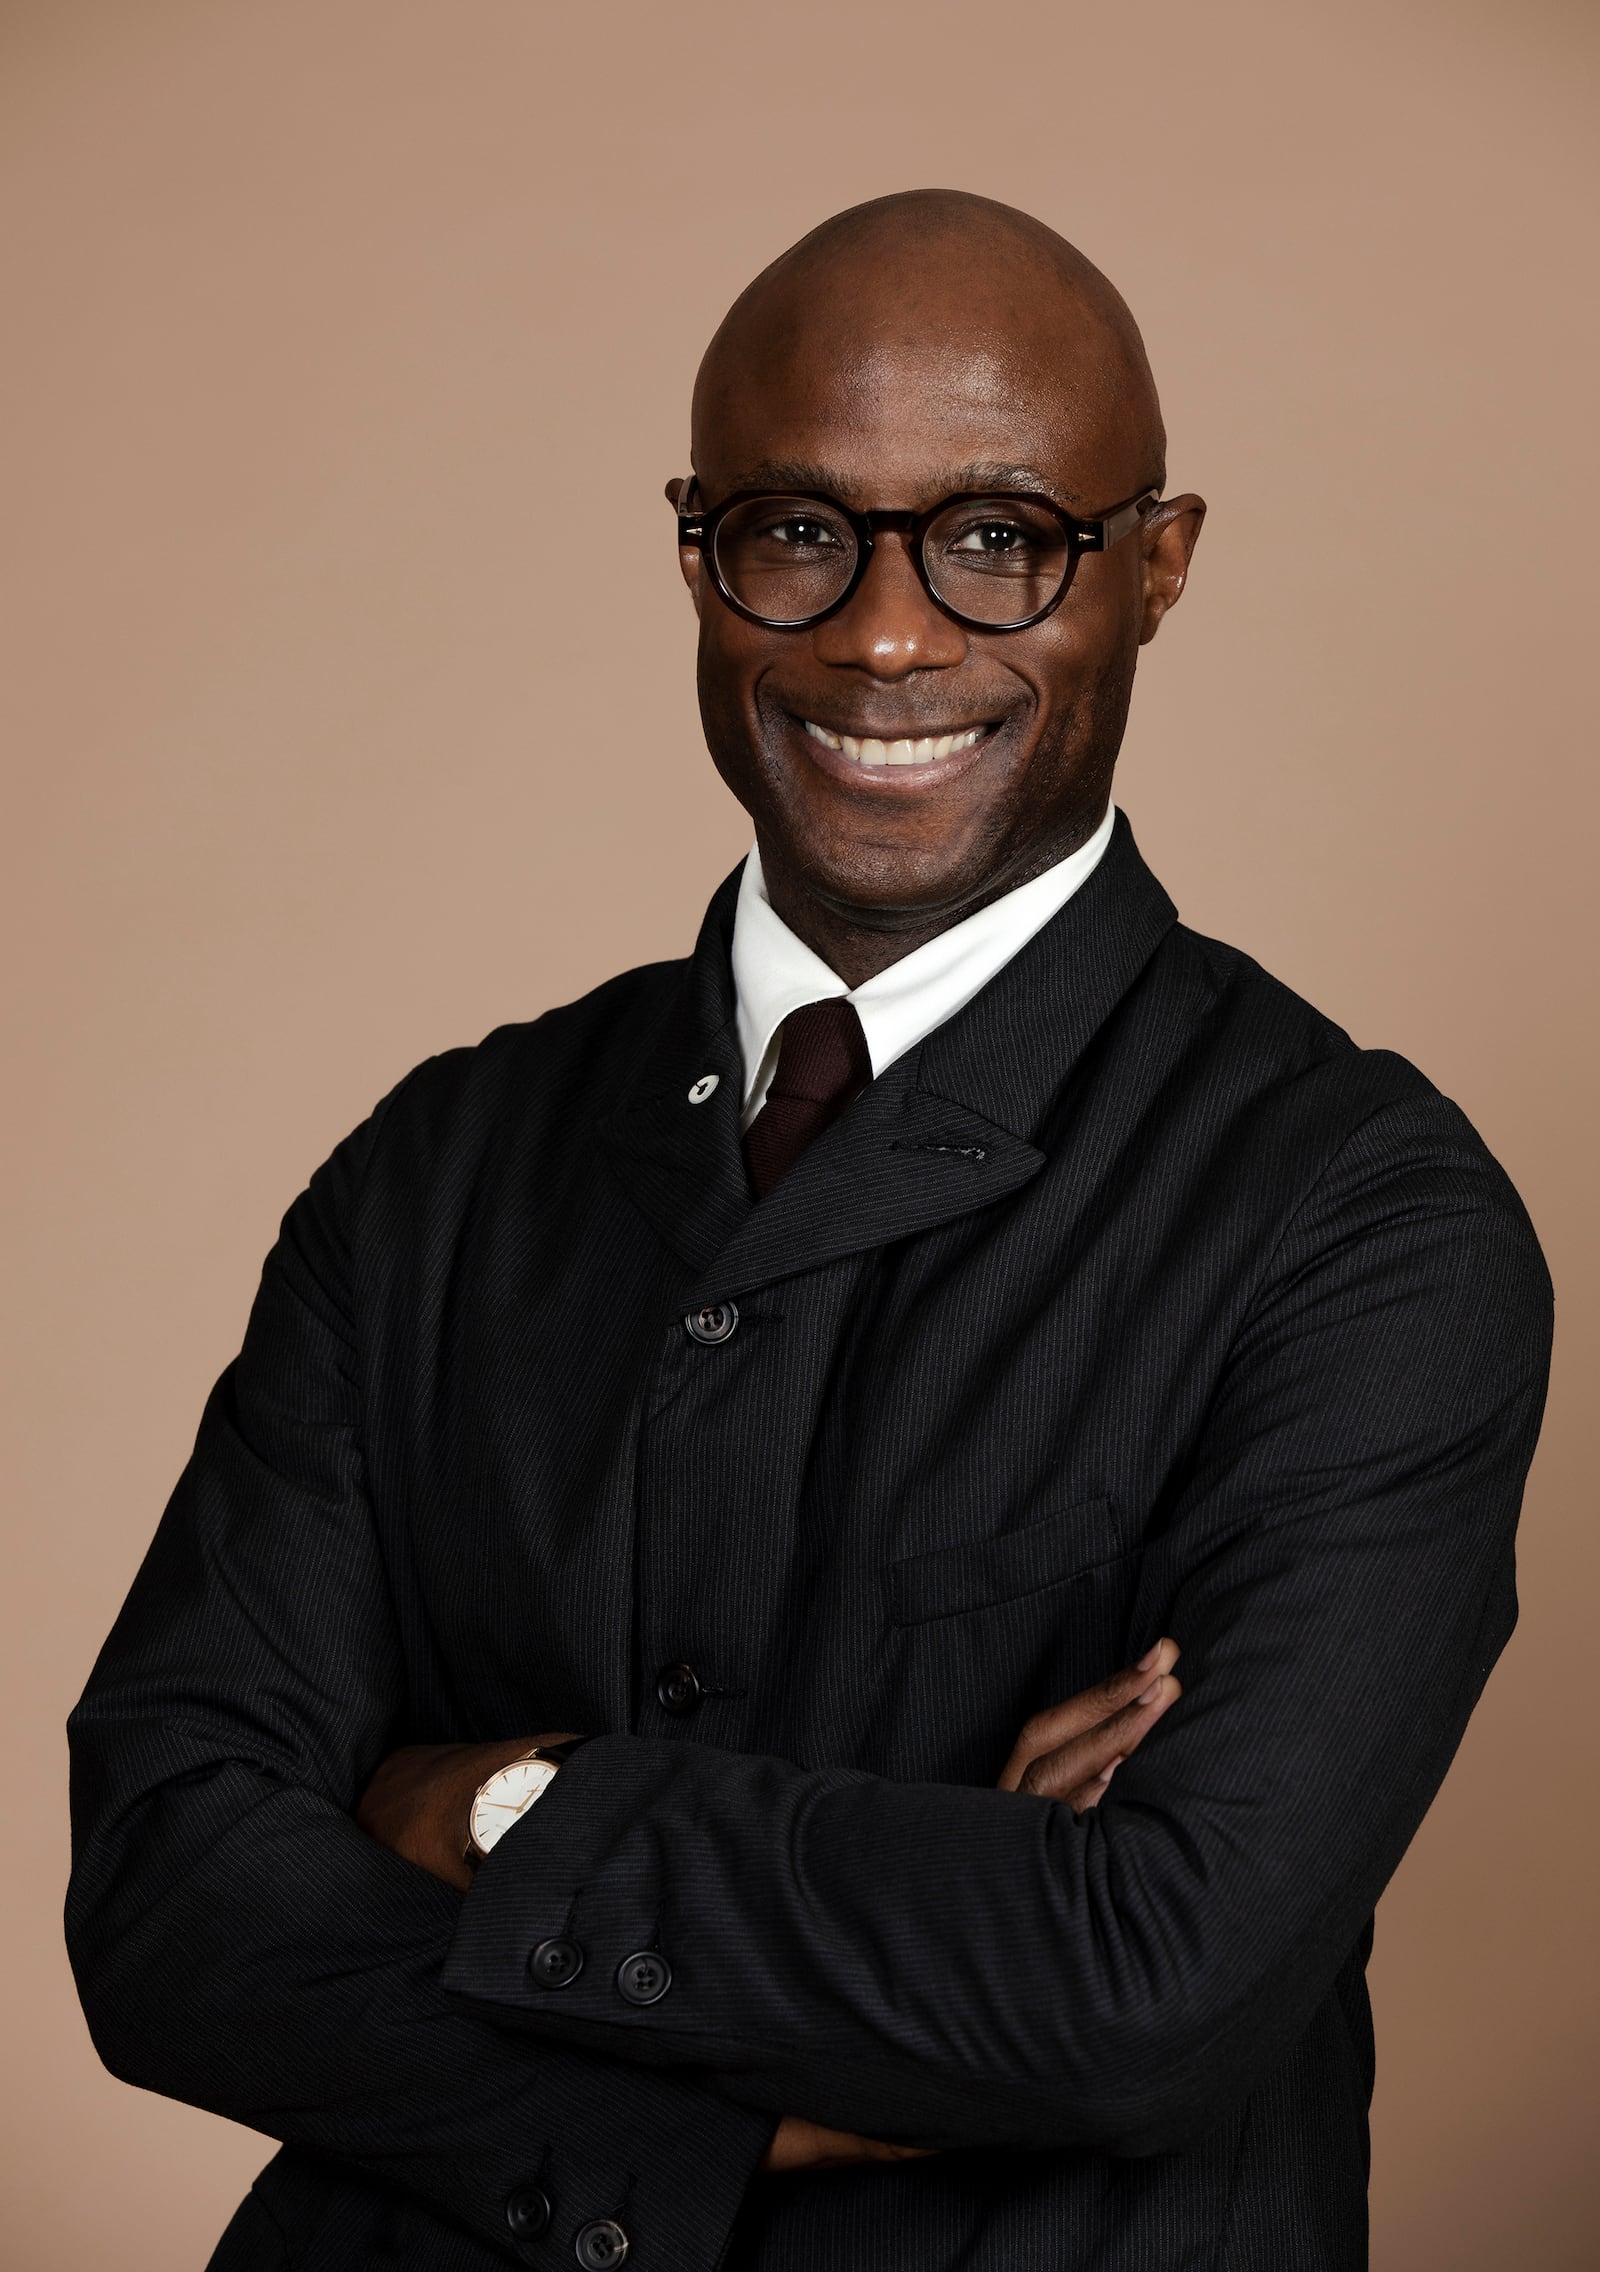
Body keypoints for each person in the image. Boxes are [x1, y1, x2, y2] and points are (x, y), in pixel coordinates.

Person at [66, 190, 1551, 2272]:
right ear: (698, 555)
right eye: (792, 529)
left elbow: (1145, 1984)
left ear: (1157, 564)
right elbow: (161, 1893)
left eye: (996, 536)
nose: (878, 632)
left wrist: (494, 1807)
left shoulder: (1361, 1219)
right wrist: (821, 2018)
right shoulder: (437, 1164)